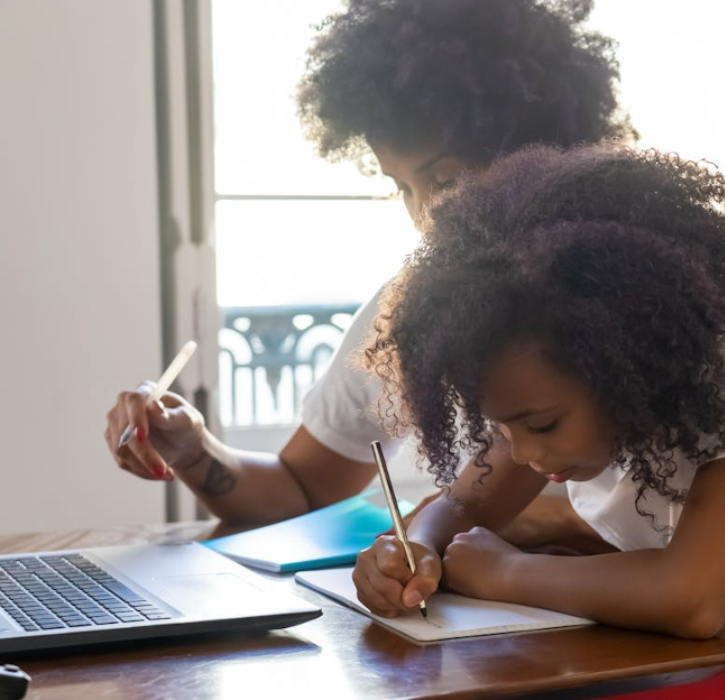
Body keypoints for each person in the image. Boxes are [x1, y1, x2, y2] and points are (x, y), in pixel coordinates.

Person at [353, 144, 725, 699]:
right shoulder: (541, 376)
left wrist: (506, 572)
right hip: (679, 666)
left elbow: (693, 599)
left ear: (621, 359)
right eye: (503, 430)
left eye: (544, 425)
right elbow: (465, 508)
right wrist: (410, 549)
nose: (523, 453)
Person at [102, 0, 634, 543]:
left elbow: (683, 546)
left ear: (541, 147)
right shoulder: (415, 309)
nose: (425, 214)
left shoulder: (656, 297)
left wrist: (522, 526)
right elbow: (303, 489)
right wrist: (194, 450)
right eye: (400, 186)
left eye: (446, 177)